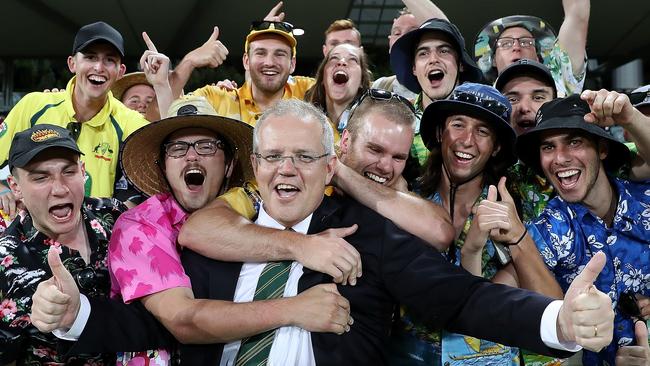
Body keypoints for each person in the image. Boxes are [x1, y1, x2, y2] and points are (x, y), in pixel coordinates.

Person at [32, 99, 615, 365]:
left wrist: (557, 320)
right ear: (254, 166)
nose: (287, 170)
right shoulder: (215, 235)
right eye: (275, 157)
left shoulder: (367, 238)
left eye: (305, 158)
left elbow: (459, 300)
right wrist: (74, 316)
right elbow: (155, 321)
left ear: (330, 166)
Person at [389, 83, 562, 365]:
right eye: (458, 125)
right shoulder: (407, 198)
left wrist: (511, 238)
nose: (467, 140)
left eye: (482, 131)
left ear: (496, 148)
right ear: (438, 133)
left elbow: (552, 308)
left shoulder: (519, 205)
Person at [516, 91, 650, 365]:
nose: (560, 158)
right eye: (548, 147)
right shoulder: (548, 230)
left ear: (602, 149)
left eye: (574, 142)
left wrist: (631, 117)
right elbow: (496, 300)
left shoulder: (644, 198)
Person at [0, 124, 126, 364]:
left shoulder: (115, 215)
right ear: (16, 187)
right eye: (40, 178)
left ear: (83, 171)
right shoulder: (6, 261)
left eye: (68, 172)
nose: (59, 189)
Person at [0, 22, 148, 205]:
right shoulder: (33, 106)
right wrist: (3, 189)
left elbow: (169, 161)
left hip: (97, 231)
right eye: (90, 57)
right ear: (72, 63)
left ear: (120, 72)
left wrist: (164, 85)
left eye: (110, 60)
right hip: (33, 228)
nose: (99, 67)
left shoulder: (130, 122)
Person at [167, 16, 313, 125]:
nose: (269, 62)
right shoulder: (219, 99)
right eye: (260, 53)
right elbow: (158, 117)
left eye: (280, 54)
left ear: (292, 64)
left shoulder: (309, 93)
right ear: (246, 61)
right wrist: (188, 62)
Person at [389, 18, 483, 182]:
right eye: (423, 53)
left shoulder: (486, 119)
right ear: (414, 69)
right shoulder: (395, 122)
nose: (433, 59)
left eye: (444, 51)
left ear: (460, 64)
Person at [474, 0, 590, 97]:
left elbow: (577, 15)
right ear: (493, 60)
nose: (516, 47)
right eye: (506, 43)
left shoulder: (560, 85)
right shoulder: (479, 102)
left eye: (526, 42)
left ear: (538, 58)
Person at [304, 43, 372, 135]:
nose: (342, 62)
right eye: (334, 58)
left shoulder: (372, 128)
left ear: (361, 81)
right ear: (322, 78)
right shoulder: (303, 123)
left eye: (352, 59)